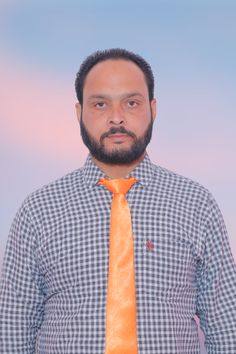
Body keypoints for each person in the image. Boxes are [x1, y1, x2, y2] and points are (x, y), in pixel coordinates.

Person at [0, 48, 235, 354]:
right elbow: (13, 331)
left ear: (153, 108)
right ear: (78, 112)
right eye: (100, 104)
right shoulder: (38, 211)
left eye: (131, 103)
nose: (116, 118)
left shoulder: (196, 204)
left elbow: (225, 328)